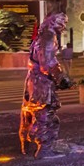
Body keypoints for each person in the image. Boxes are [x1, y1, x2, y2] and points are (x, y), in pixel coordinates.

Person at [20, 13, 73, 158]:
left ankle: (31, 143)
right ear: (53, 22)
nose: (63, 27)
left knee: (36, 113)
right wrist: (61, 78)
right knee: (45, 115)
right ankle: (44, 148)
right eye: (62, 23)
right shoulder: (48, 37)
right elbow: (47, 64)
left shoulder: (41, 36)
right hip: (42, 82)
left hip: (34, 80)